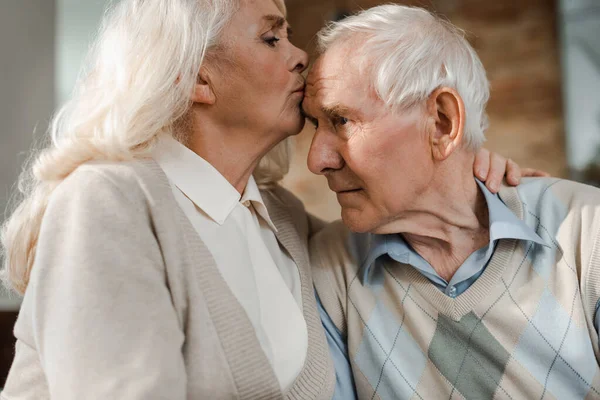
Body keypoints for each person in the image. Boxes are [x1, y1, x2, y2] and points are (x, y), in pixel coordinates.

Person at [0, 0, 534, 398]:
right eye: (271, 38)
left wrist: (474, 174)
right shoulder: (107, 204)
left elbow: (416, 220)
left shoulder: (284, 221)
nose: (302, 55)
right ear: (197, 77)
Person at [305, 4, 600, 400]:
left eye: (341, 120)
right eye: (315, 124)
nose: (316, 159)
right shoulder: (331, 267)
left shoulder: (587, 230)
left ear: (443, 122)